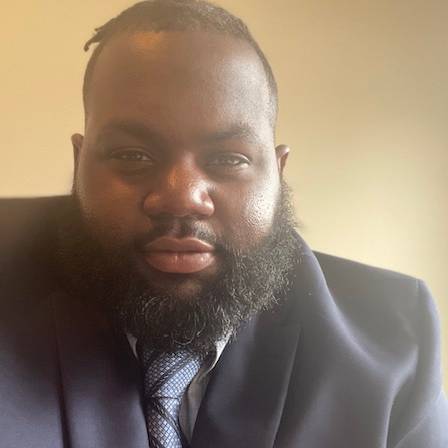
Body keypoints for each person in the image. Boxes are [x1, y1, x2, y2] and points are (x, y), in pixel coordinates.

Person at [1, 0, 446, 446]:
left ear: (278, 173)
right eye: (132, 155)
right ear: (79, 162)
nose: (181, 197)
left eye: (229, 158)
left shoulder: (394, 343)